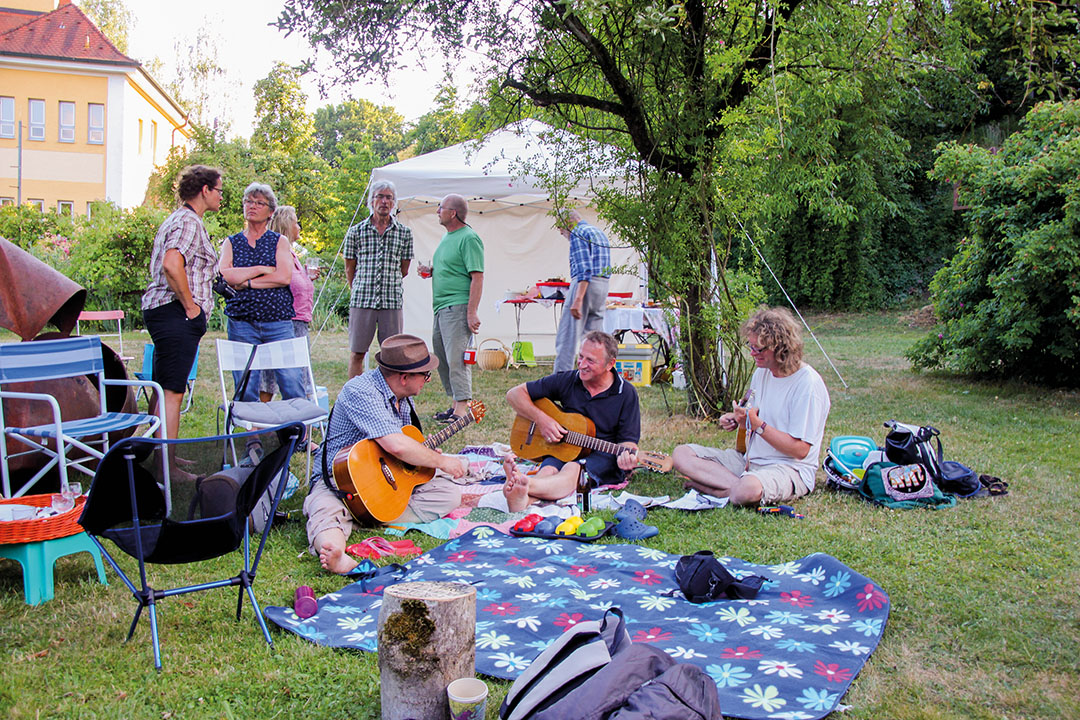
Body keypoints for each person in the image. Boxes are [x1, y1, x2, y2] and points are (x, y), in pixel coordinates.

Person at [304, 334, 467, 574]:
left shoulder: (402, 398)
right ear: (404, 378)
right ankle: (335, 551)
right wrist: (440, 461)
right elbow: (396, 446)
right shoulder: (362, 391)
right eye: (425, 375)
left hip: (383, 483)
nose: (427, 380)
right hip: (339, 481)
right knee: (324, 509)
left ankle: (371, 513)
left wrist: (422, 456)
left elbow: (401, 447)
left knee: (449, 494)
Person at [672, 307, 831, 506]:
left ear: (780, 347)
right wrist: (737, 418)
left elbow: (800, 450)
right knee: (681, 454)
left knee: (748, 489)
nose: (752, 353)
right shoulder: (762, 373)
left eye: (759, 349)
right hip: (749, 462)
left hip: (789, 469)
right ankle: (730, 488)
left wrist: (759, 426)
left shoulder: (807, 384)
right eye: (751, 345)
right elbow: (753, 416)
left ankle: (717, 488)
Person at [502, 331, 640, 512]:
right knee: (548, 470)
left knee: (573, 470)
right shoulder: (569, 379)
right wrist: (542, 420)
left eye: (590, 360)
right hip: (563, 447)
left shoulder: (626, 393)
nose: (581, 364)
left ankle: (525, 487)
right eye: (580, 356)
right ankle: (523, 497)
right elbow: (513, 394)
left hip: (601, 454)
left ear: (610, 364)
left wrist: (627, 458)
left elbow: (628, 441)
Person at [141, 164, 222, 439]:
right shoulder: (189, 222)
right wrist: (191, 307)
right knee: (173, 391)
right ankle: (169, 466)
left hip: (164, 312)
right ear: (205, 190)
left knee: (163, 386)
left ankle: (159, 455)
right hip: (176, 314)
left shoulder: (177, 218)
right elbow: (172, 264)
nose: (221, 197)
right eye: (219, 191)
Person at [218, 182, 306, 401]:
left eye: (259, 203)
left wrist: (246, 282)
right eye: (248, 201)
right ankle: (253, 434)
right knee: (246, 382)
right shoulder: (231, 242)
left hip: (277, 321)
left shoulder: (279, 241)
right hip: (242, 321)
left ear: (270, 212)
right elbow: (225, 275)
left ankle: (296, 432)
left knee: (290, 379)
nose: (252, 206)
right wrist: (259, 270)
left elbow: (283, 277)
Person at [417, 194, 483, 423]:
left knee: (457, 358)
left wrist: (471, 312)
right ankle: (455, 405)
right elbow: (452, 268)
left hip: (458, 306)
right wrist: (431, 270)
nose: (437, 211)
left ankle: (462, 412)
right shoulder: (448, 238)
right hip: (441, 307)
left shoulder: (469, 238)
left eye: (440, 207)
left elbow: (477, 276)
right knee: (443, 358)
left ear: (453, 213)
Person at [344, 180, 413, 378]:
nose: (384, 201)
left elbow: (404, 268)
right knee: (357, 352)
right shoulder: (356, 232)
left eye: (388, 197)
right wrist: (357, 287)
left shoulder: (404, 233)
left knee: (392, 354)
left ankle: (389, 396)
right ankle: (354, 395)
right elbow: (350, 267)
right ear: (371, 201)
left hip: (391, 300)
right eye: (380, 197)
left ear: (394, 203)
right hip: (362, 299)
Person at [259, 205, 318, 401]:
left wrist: (307, 277)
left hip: (299, 323)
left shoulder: (293, 255)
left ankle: (300, 425)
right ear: (286, 224)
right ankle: (265, 422)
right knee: (274, 377)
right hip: (285, 322)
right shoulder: (276, 252)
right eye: (296, 222)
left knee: (299, 377)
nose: (299, 227)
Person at [553, 209, 612, 372]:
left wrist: (578, 299)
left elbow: (584, 269)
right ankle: (597, 378)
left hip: (585, 285)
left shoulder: (578, 233)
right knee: (595, 340)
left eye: (560, 228)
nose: (561, 232)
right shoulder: (598, 232)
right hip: (602, 286)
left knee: (567, 339)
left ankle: (559, 382)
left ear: (568, 223)